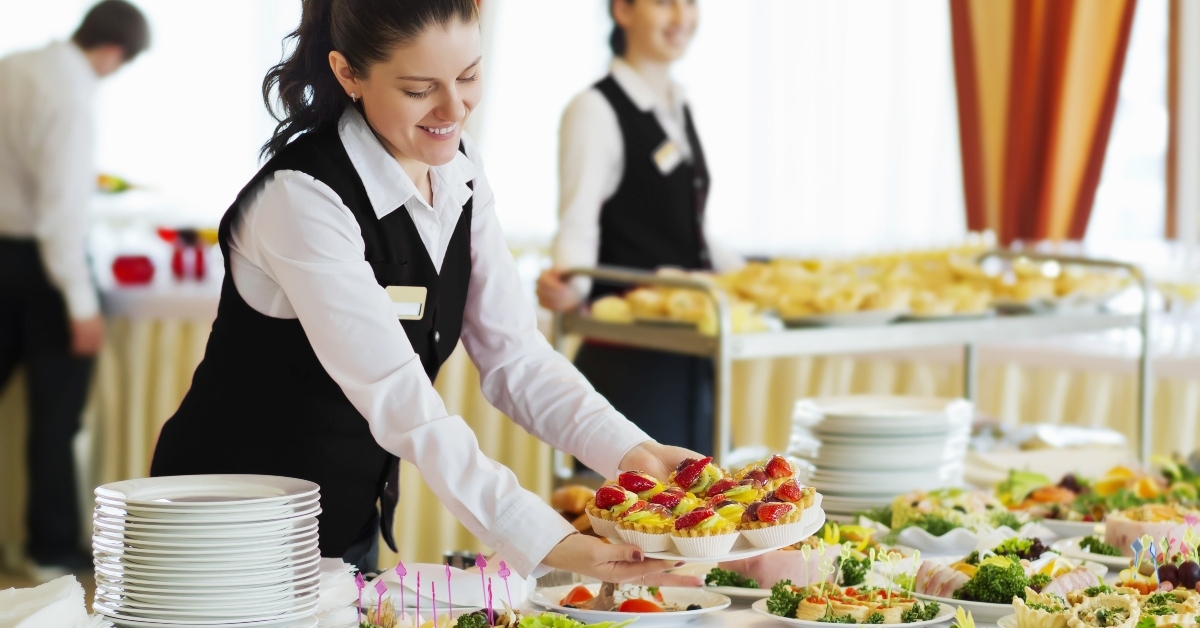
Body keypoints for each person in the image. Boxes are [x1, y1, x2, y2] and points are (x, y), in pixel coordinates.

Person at [149, 0, 697, 583]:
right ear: (348, 73)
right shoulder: (302, 198)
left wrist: (633, 454)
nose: (455, 109)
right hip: (224, 526)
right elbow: (400, 398)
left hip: (339, 522)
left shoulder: (458, 171)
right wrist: (541, 537)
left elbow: (516, 356)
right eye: (419, 89)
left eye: (468, 76)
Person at [537, 0, 742, 457]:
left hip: (690, 356)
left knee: (717, 512)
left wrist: (752, 275)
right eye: (663, 3)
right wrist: (570, 283)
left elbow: (690, 228)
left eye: (689, 3)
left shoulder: (677, 105)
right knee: (636, 519)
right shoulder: (593, 109)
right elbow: (577, 224)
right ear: (623, 10)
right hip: (631, 366)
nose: (681, 17)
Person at [0, 0, 149, 579]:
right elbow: (61, 219)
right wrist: (82, 306)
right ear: (113, 53)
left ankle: (46, 543)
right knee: (56, 418)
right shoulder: (72, 95)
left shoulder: (14, 65)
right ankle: (50, 548)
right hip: (46, 268)